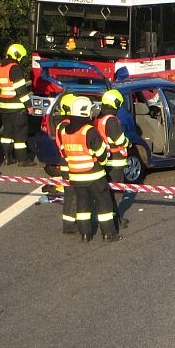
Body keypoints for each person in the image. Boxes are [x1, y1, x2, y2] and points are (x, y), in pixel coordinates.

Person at [55, 96, 121, 243]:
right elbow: (101, 153)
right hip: (94, 175)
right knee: (104, 205)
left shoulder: (65, 131)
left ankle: (85, 234)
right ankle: (108, 234)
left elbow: (65, 152)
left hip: (76, 177)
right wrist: (103, 162)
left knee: (82, 205)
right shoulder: (88, 131)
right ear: (84, 112)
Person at [0, 42, 34, 165]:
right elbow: (21, 89)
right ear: (17, 55)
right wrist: (29, 106)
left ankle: (7, 157)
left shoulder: (0, 67)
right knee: (20, 133)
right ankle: (22, 159)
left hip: (3, 106)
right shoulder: (15, 68)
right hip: (17, 107)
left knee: (7, 133)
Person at [52, 95, 79, 235]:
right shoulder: (66, 125)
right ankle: (69, 225)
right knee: (72, 195)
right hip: (69, 165)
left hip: (69, 163)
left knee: (74, 194)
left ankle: (73, 222)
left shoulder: (65, 123)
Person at [94, 89, 130, 183]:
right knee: (117, 188)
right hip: (115, 160)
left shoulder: (99, 118)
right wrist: (128, 143)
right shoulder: (111, 120)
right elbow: (120, 140)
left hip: (104, 158)